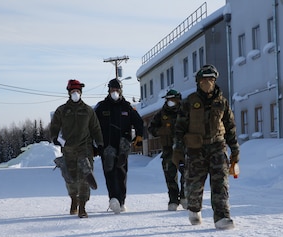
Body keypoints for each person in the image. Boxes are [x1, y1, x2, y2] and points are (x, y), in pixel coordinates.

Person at [172, 65, 240, 230]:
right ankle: (194, 209)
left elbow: (230, 128)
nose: (207, 83)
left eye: (210, 79)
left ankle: (222, 217)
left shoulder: (222, 102)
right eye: (204, 79)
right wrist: (178, 151)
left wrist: (235, 150)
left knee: (220, 184)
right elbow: (179, 128)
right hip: (195, 150)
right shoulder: (189, 102)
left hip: (218, 147)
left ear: (215, 81)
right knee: (194, 186)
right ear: (198, 82)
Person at [50, 79, 104, 218]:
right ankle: (74, 198)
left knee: (85, 176)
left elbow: (95, 128)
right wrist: (55, 137)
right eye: (73, 91)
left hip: (85, 148)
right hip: (68, 149)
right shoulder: (62, 110)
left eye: (78, 91)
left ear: (81, 92)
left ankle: (82, 206)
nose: (76, 93)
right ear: (69, 93)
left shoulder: (88, 110)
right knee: (71, 178)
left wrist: (100, 143)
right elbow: (54, 127)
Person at [94, 78, 144, 214]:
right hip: (107, 145)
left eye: (117, 90)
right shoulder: (101, 107)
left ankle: (121, 201)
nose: (114, 92)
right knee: (109, 171)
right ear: (109, 91)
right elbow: (92, 126)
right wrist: (95, 144)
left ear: (120, 91)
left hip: (123, 146)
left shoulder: (127, 107)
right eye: (112, 90)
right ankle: (114, 199)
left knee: (121, 173)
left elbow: (139, 123)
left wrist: (139, 136)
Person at [148, 89, 186, 211]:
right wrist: (162, 131)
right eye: (168, 99)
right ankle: (173, 199)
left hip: (184, 149)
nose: (170, 102)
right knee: (170, 176)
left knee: (187, 173)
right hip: (168, 150)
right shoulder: (161, 114)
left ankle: (185, 197)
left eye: (172, 99)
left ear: (178, 99)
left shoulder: (185, 112)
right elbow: (151, 128)